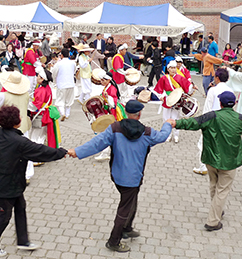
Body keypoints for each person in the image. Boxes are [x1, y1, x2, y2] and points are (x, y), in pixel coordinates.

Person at [68, 100, 172, 252]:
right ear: (140, 114)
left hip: (117, 174)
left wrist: (77, 151)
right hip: (134, 177)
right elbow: (162, 136)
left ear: (126, 113)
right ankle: (114, 241)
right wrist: (168, 124)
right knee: (125, 207)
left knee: (131, 199)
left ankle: (127, 228)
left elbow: (97, 143)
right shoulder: (147, 132)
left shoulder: (115, 128)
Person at [0, 105, 67, 257]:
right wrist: (61, 152)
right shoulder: (20, 142)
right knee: (4, 216)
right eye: (20, 117)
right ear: (15, 122)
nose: (22, 118)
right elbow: (41, 151)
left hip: (12, 183)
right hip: (6, 186)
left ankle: (23, 240)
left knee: (21, 207)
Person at [169, 91, 242, 231]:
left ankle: (216, 210)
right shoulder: (240, 119)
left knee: (214, 185)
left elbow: (193, 123)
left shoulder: (211, 116)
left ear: (220, 103)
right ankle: (213, 221)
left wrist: (176, 123)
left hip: (211, 158)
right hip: (230, 161)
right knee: (222, 190)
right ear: (235, 103)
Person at [193, 68, 233, 175]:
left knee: (203, 144)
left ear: (217, 78)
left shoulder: (213, 90)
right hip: (225, 121)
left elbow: (207, 108)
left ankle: (203, 166)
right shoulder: (230, 90)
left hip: (212, 120)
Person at [153, 60, 191, 143]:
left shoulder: (181, 78)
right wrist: (161, 96)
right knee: (166, 118)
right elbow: (158, 89)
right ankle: (167, 135)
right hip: (167, 99)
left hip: (177, 100)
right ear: (168, 69)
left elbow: (187, 88)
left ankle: (176, 135)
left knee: (175, 118)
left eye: (174, 68)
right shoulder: (164, 78)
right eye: (171, 68)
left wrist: (190, 89)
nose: (173, 70)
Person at [52, 48, 76, 121]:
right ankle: (67, 114)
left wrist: (54, 82)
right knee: (69, 100)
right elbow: (74, 71)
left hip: (61, 84)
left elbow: (54, 73)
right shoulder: (73, 63)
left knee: (60, 100)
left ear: (61, 55)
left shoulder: (58, 64)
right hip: (71, 83)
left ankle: (63, 113)